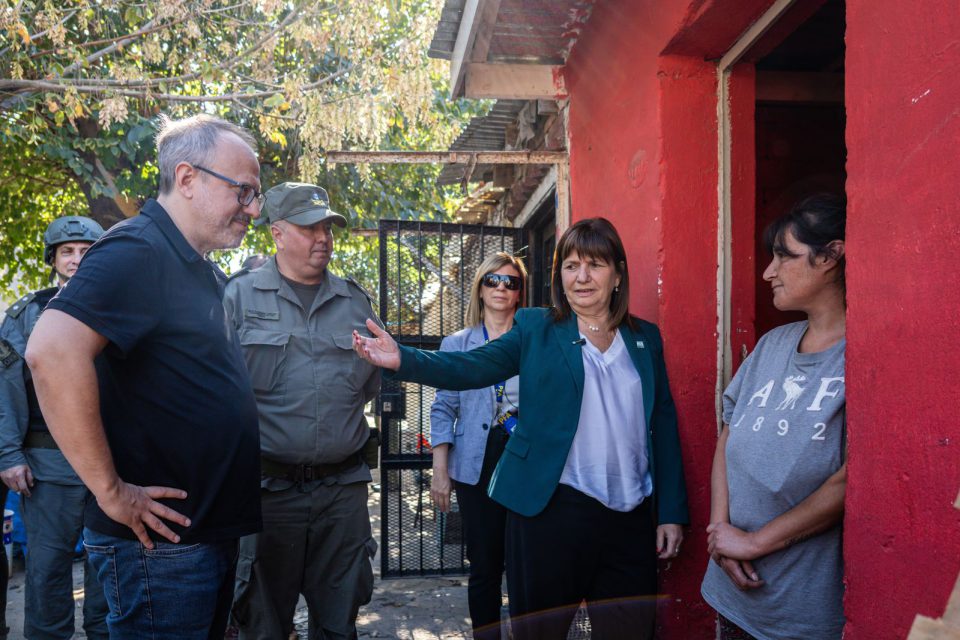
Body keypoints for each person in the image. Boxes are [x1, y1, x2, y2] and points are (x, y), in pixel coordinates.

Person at [355, 217, 689, 640]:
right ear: (559, 276)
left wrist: (672, 512)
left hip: (630, 517)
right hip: (552, 512)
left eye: (595, 264)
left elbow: (662, 422)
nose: (582, 277)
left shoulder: (645, 340)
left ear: (618, 273)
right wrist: (403, 358)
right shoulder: (537, 329)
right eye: (571, 265)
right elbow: (469, 366)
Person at [24, 114, 264, 639]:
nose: (253, 209)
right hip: (162, 551)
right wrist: (111, 492)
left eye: (256, 196)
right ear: (186, 179)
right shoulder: (139, 249)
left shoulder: (194, 263)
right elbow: (50, 353)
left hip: (198, 537)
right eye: (243, 191)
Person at [224, 182, 381, 640]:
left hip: (342, 495)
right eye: (310, 228)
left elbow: (367, 386)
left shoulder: (355, 302)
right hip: (268, 494)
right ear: (277, 233)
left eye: (328, 228)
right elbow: (216, 394)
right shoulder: (238, 298)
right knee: (264, 623)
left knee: (339, 624)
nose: (323, 239)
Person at [701, 194, 847, 640]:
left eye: (784, 256)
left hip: (799, 608)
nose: (769, 271)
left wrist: (755, 543)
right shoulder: (773, 344)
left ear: (831, 256)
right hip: (732, 593)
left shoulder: (863, 358)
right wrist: (721, 532)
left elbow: (850, 479)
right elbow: (728, 436)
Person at [0, 216, 109, 640]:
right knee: (47, 573)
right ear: (53, 259)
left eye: (86, 251)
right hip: (49, 466)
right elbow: (6, 390)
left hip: (112, 464)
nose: (77, 260)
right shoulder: (26, 316)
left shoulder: (124, 308)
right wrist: (8, 455)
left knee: (109, 572)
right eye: (68, 252)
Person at [430, 252, 527, 640]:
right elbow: (443, 408)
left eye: (511, 282)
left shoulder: (533, 341)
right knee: (485, 565)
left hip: (525, 460)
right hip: (476, 462)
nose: (501, 288)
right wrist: (440, 472)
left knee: (525, 564)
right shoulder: (457, 344)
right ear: (480, 288)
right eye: (493, 280)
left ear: (520, 293)